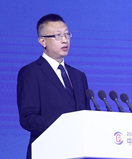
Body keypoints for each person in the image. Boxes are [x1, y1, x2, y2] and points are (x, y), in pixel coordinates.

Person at [17, 14, 91, 159]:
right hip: (47, 151)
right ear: (42, 41)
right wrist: (62, 128)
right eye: (58, 36)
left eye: (67, 34)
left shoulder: (79, 76)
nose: (65, 40)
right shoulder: (31, 72)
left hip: (78, 153)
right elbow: (27, 118)